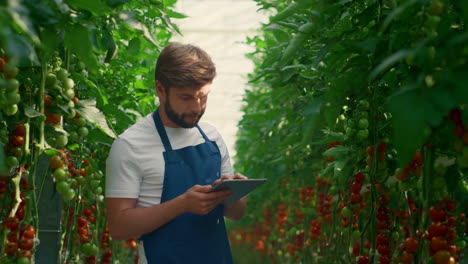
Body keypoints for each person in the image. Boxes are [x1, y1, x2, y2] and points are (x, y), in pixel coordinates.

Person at [105, 42, 247, 264]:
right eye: (186, 97)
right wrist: (182, 205)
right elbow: (118, 227)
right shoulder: (130, 145)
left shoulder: (212, 137)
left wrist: (234, 193)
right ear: (160, 89)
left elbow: (236, 214)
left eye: (203, 96)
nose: (197, 107)